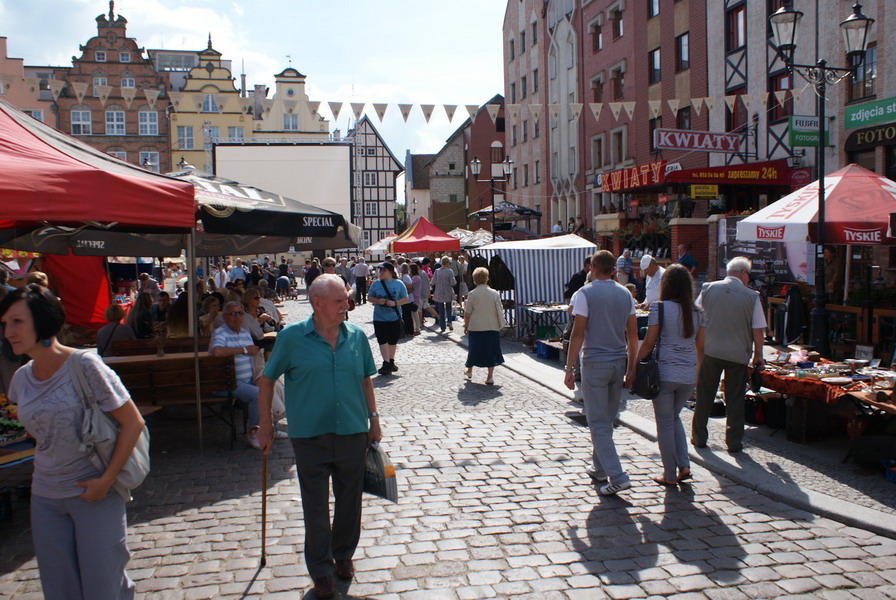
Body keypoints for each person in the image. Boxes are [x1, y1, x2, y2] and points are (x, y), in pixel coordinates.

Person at [1, 285, 143, 599]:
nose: (8, 331)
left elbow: (132, 422)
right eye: (5, 324)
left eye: (17, 322)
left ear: (42, 321)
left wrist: (106, 481)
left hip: (95, 493)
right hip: (46, 497)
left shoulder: (84, 366)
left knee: (102, 585)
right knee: (59, 587)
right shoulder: (21, 378)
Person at [255, 275, 381, 599]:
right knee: (315, 506)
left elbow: (366, 380)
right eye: (340, 300)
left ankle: (343, 556)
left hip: (352, 430)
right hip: (309, 435)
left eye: (347, 298)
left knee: (350, 503)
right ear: (318, 303)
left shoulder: (356, 337)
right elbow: (267, 380)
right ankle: (321, 571)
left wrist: (374, 420)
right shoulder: (292, 338)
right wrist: (265, 424)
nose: (347, 305)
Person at [563, 250, 638, 496]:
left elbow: (578, 333)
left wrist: (569, 367)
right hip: (618, 361)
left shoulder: (586, 293)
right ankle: (599, 467)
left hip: (595, 362)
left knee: (596, 422)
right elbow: (633, 335)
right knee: (605, 419)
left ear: (593, 268)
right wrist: (632, 367)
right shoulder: (625, 293)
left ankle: (618, 475)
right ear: (614, 269)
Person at [635, 265, 705, 486]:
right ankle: (683, 465)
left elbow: (649, 341)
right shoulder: (698, 312)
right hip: (687, 374)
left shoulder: (660, 308)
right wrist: (697, 374)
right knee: (674, 419)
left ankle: (669, 473)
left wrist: (635, 364)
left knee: (665, 423)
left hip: (664, 372)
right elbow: (701, 347)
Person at [691, 257, 766, 454]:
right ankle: (733, 442)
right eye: (748, 275)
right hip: (738, 354)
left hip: (711, 350)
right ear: (743, 273)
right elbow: (758, 331)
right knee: (734, 399)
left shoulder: (708, 288)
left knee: (705, 394)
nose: (749, 279)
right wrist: (759, 355)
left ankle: (699, 437)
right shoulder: (752, 296)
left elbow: (698, 318)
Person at [209, 301, 284, 449]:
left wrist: (258, 376)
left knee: (272, 385)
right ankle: (255, 434)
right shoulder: (220, 333)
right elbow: (217, 351)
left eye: (240, 313)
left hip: (247, 379)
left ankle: (273, 426)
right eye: (232, 314)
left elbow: (252, 357)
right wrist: (243, 350)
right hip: (229, 382)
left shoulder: (244, 333)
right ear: (225, 316)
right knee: (258, 394)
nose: (236, 317)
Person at [463, 267, 506, 385]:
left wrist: (466, 326)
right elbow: (500, 310)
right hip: (492, 326)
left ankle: (469, 370)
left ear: (474, 279)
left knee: (473, 349)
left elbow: (467, 313)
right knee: (491, 351)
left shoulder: (472, 294)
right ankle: (490, 376)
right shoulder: (494, 293)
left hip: (476, 326)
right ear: (487, 278)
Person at [367, 262, 408, 375]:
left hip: (394, 316)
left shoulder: (399, 284)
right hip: (379, 317)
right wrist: (377, 301)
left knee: (392, 340)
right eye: (380, 270)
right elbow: (369, 297)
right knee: (382, 339)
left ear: (390, 271)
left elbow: (405, 298)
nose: (381, 273)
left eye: (383, 270)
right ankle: (386, 363)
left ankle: (391, 361)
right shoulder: (376, 284)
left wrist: (395, 303)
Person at [431, 256, 457, 333]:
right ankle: (449, 321)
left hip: (439, 292)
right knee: (449, 308)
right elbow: (453, 283)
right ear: (447, 263)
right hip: (448, 292)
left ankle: (442, 326)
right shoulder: (450, 271)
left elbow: (432, 282)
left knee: (441, 309)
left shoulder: (437, 271)